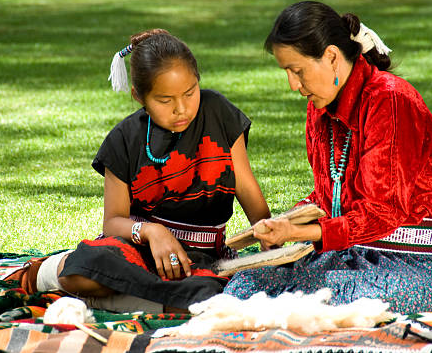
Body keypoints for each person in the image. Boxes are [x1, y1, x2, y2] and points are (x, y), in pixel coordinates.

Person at [223, 1, 432, 314]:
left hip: (410, 262)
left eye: (297, 71)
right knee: (248, 283)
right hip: (347, 252)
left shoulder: (390, 100)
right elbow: (329, 196)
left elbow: (384, 211)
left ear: (332, 57)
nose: (293, 85)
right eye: (287, 72)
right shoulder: (319, 108)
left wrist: (299, 233)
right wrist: (287, 222)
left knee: (345, 300)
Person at [16, 29, 270, 313]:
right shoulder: (124, 139)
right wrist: (152, 231)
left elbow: (246, 186)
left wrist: (271, 239)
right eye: (165, 100)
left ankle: (111, 300)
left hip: (200, 257)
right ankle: (45, 272)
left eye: (190, 92)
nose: (181, 108)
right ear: (139, 97)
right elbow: (112, 222)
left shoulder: (218, 113)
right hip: (138, 249)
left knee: (208, 297)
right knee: (89, 271)